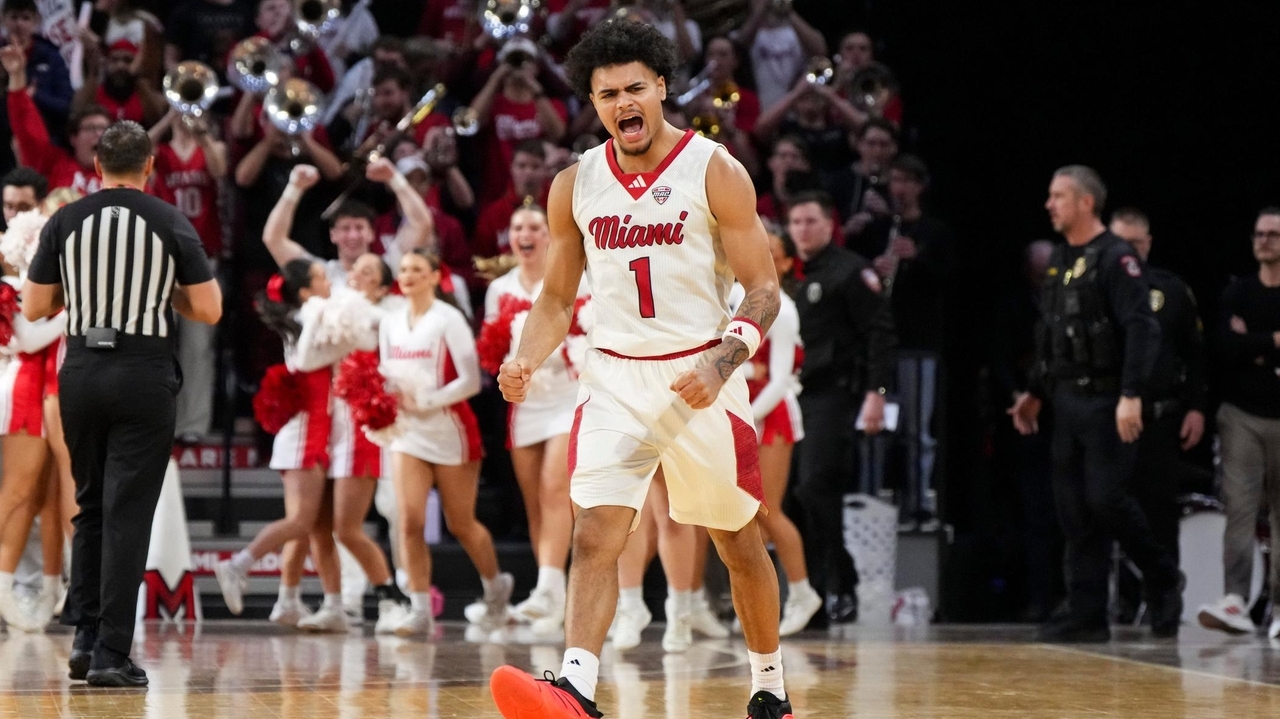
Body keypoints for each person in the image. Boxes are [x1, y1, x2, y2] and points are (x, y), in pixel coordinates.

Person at [489, 21, 795, 719]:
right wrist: (526, 356)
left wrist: (722, 361)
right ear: (594, 104)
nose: (623, 102)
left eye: (634, 88)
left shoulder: (714, 169)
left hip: (699, 375)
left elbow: (763, 289)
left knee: (737, 540)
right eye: (607, 94)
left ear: (660, 87)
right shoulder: (574, 184)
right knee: (595, 529)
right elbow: (556, 298)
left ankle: (770, 688)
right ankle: (576, 690)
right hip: (614, 377)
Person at [23, 120, 222, 685]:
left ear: (96, 167)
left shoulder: (65, 220)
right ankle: (113, 652)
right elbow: (209, 310)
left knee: (89, 506)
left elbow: (35, 307)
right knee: (128, 513)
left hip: (82, 370)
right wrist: (163, 294)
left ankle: (85, 638)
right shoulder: (170, 219)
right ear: (150, 166)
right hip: (142, 371)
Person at [1008, 165, 1181, 642]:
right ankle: (1087, 612)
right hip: (1066, 401)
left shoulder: (1116, 258)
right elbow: (1052, 336)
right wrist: (1034, 393)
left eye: (1058, 196)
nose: (1050, 204)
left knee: (1106, 499)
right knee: (1074, 511)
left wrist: (1131, 394)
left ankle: (1163, 576)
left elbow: (1142, 329)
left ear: (1086, 202)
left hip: (1107, 400)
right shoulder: (1061, 259)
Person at [380, 249, 513, 636]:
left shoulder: (448, 319)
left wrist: (428, 400)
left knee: (461, 523)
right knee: (409, 521)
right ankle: (420, 609)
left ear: (435, 276)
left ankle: (496, 588)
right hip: (408, 433)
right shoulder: (390, 321)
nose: (408, 275)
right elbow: (387, 373)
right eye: (404, 269)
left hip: (450, 429)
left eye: (417, 269)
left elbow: (471, 381)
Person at [788, 190, 895, 626]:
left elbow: (881, 333)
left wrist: (877, 393)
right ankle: (809, 595)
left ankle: (841, 583)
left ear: (829, 224)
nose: (802, 230)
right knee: (790, 498)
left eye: (811, 221)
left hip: (832, 393)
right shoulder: (784, 274)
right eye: (796, 222)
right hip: (789, 395)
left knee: (816, 486)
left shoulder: (850, 272)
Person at [478, 205, 586, 635]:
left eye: (535, 227)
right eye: (518, 227)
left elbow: (587, 331)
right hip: (525, 402)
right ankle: (553, 597)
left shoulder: (572, 278)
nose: (526, 233)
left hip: (567, 395)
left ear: (549, 235)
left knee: (555, 488)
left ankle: (547, 588)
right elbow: (491, 347)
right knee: (536, 500)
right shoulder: (499, 289)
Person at [1109, 207, 1206, 624]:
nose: (1130, 252)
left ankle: (1164, 599)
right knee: (1109, 507)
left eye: (1137, 243)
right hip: (1108, 418)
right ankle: (1123, 598)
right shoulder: (1097, 288)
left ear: (1148, 244)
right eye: (1121, 244)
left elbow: (1195, 354)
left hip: (1159, 418)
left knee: (1160, 510)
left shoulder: (1171, 290)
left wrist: (1197, 407)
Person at [1196, 207, 1280, 641]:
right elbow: (1224, 348)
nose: (1264, 240)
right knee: (1239, 509)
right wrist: (1271, 342)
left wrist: (1251, 343)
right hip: (1242, 414)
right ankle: (1235, 599)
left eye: (1273, 234)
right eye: (1259, 233)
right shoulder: (1237, 292)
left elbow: (1241, 345)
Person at [736, 229, 824, 636]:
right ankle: (755, 604)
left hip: (770, 415)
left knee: (766, 508)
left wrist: (748, 418)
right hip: (741, 408)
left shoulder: (783, 309)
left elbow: (779, 379)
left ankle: (803, 593)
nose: (763, 257)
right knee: (742, 514)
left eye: (773, 253)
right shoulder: (733, 298)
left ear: (787, 264)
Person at [148, 108, 228, 444]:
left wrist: (202, 133)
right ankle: (159, 421)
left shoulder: (213, 147)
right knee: (158, 343)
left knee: (198, 347)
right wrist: (169, 117)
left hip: (201, 258)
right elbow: (136, 150)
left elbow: (220, 170)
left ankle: (194, 424)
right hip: (162, 258)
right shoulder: (160, 152)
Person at [5, 42, 110, 196]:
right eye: (90, 128)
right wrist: (17, 75)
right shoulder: (54, 164)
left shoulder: (127, 176)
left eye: (104, 130)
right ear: (73, 138)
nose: (99, 134)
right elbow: (28, 131)